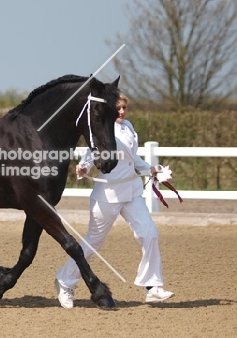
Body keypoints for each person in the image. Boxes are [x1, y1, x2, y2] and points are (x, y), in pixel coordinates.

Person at [55, 92, 174, 308]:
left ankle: (152, 286)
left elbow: (132, 158)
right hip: (108, 195)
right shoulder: (104, 127)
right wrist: (84, 167)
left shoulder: (128, 126)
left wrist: (152, 170)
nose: (121, 112)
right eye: (118, 108)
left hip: (131, 192)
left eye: (124, 108)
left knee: (150, 234)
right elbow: (93, 152)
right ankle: (65, 281)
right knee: (93, 242)